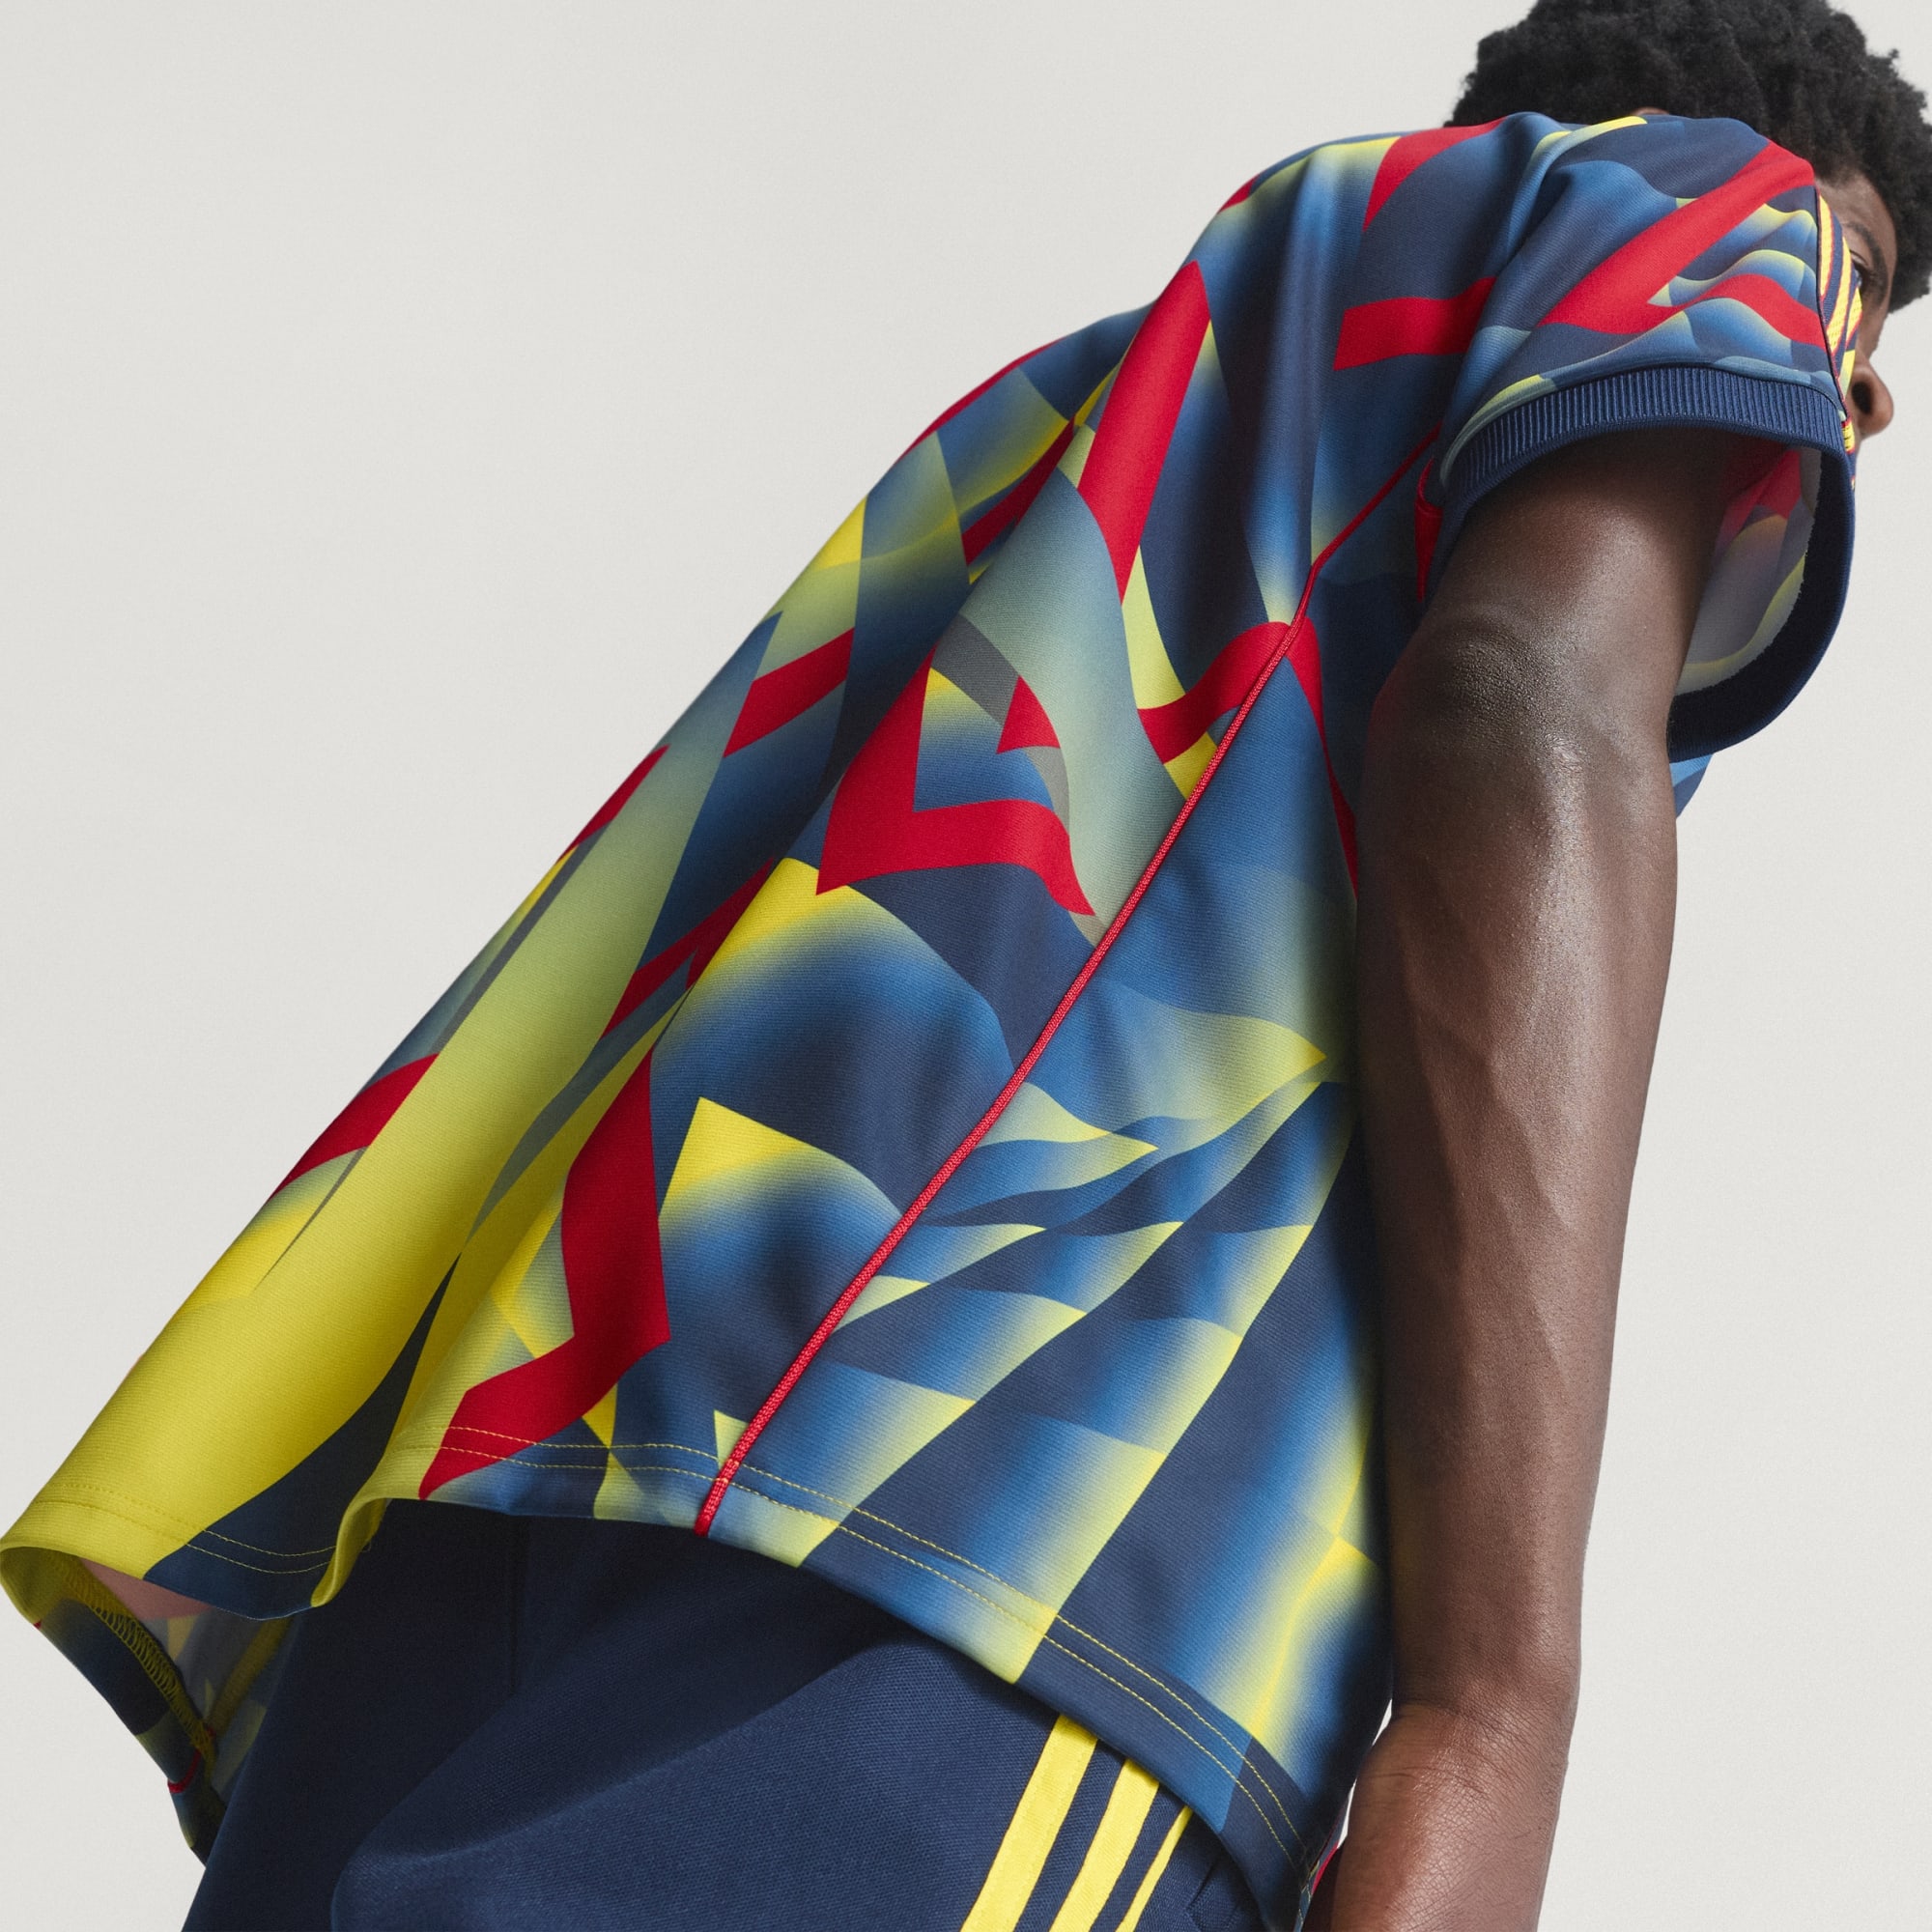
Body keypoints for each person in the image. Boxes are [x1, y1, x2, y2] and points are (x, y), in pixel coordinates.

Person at [5, 2, 1925, 1926]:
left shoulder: (1113, 417)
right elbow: (1520, 706)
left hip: (510, 1517)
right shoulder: (1720, 219)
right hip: (1004, 1572)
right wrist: (1494, 1707)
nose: (1862, 398)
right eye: (1861, 303)